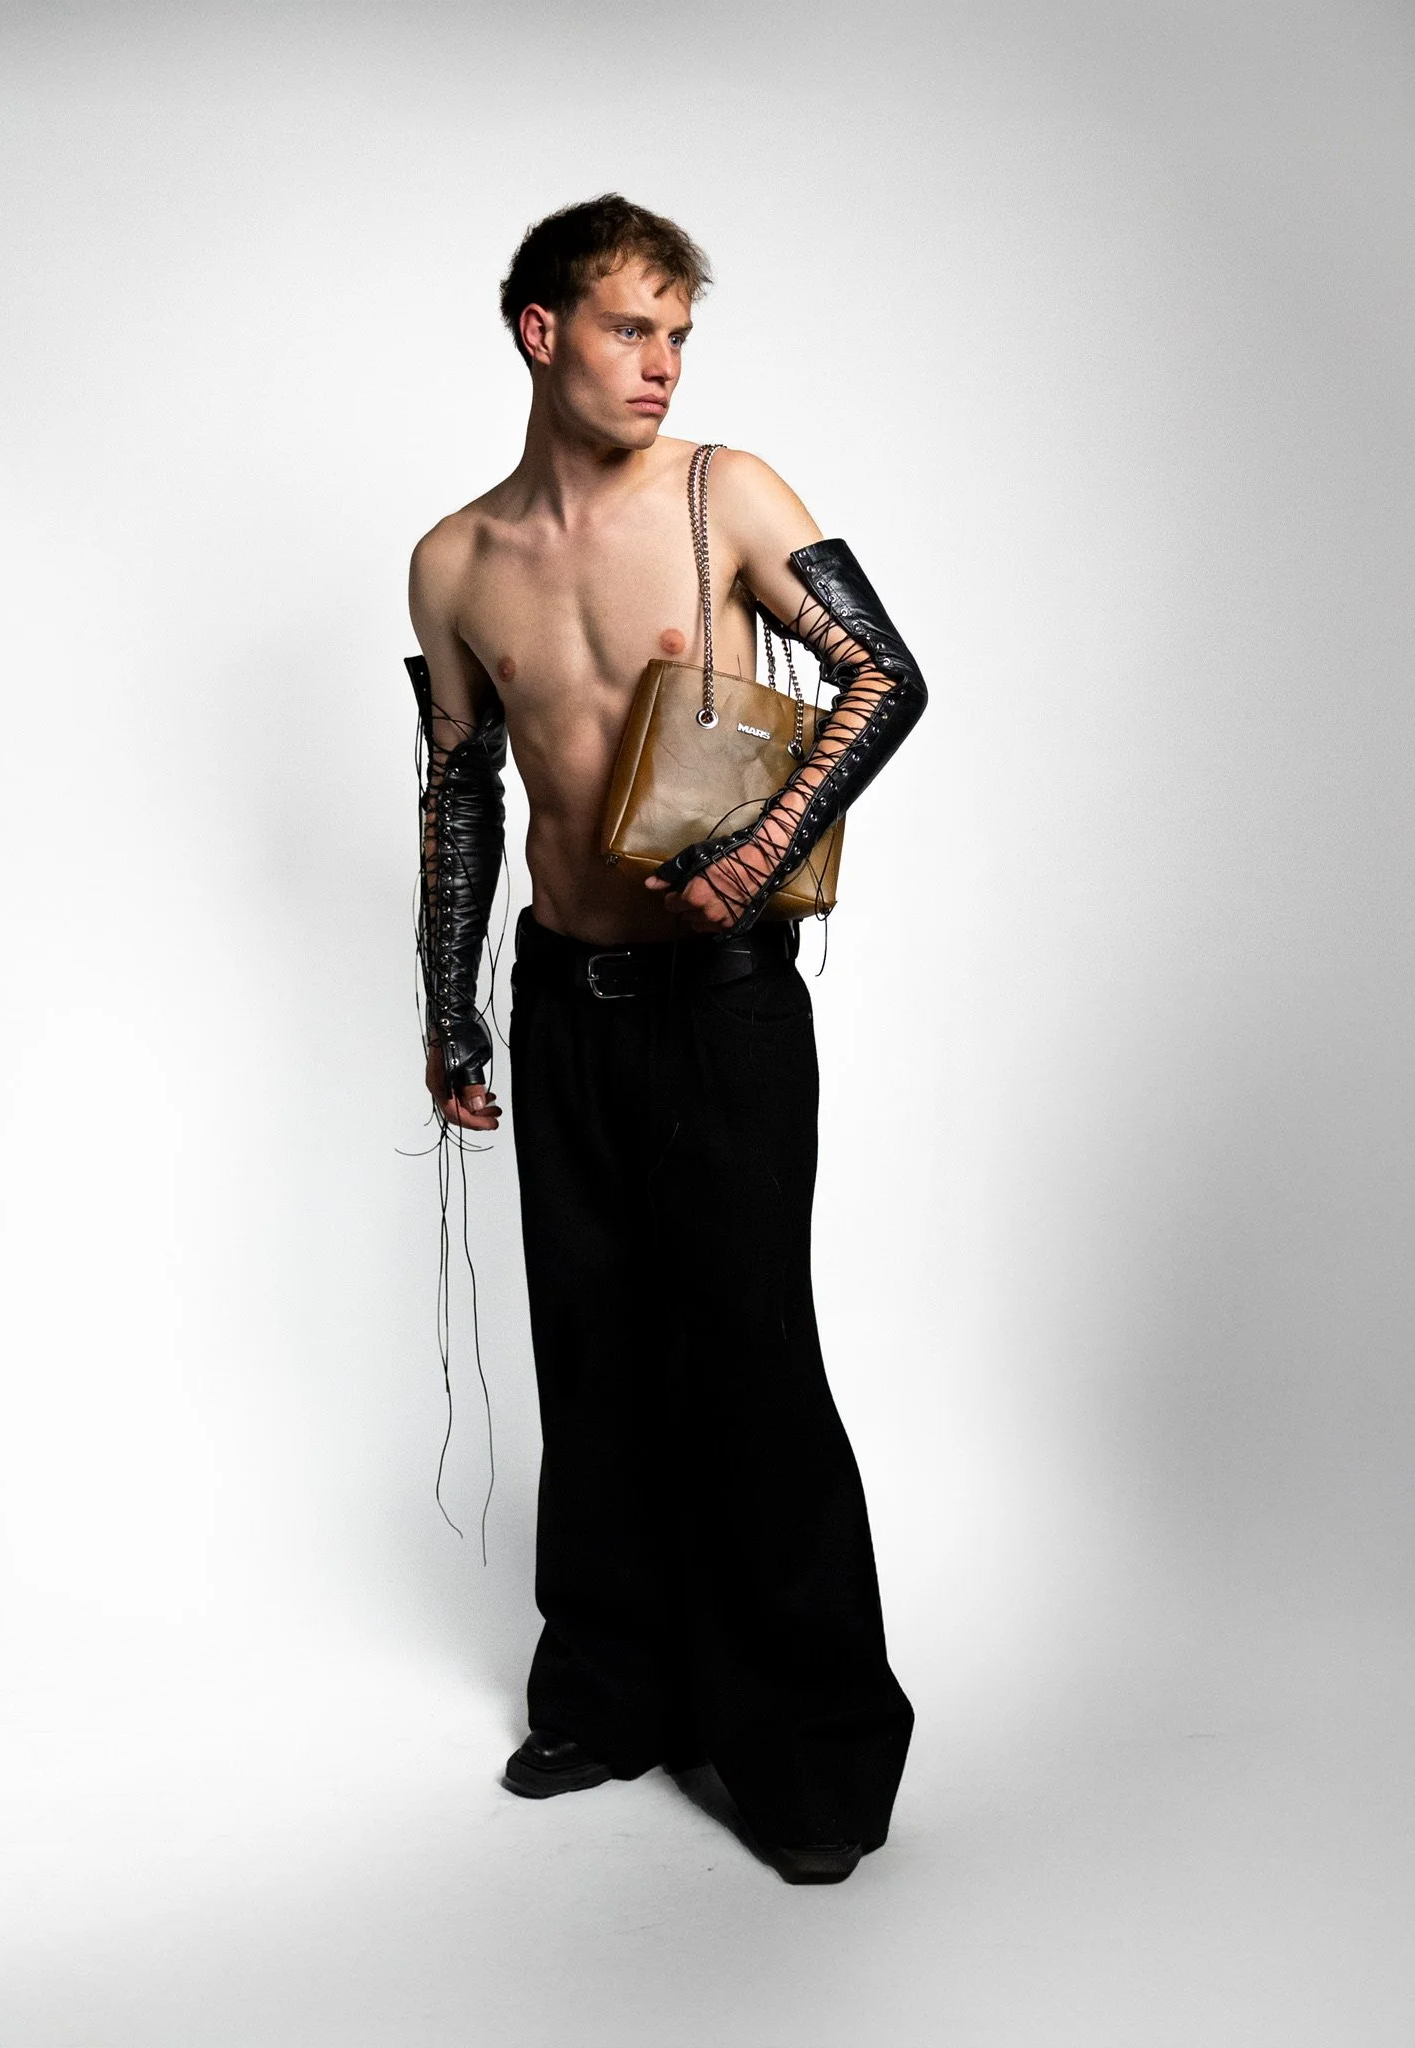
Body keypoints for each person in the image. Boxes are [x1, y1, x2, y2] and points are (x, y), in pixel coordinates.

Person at [407, 194, 928, 1885]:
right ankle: (615, 1693)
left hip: (724, 1007)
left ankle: (814, 1758)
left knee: (754, 1363)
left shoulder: (724, 490)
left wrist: (763, 852)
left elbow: (886, 674)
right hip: (565, 1006)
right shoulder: (454, 561)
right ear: (540, 330)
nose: (664, 364)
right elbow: (457, 792)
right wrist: (448, 1006)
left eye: (680, 334)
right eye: (632, 328)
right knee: (599, 1359)